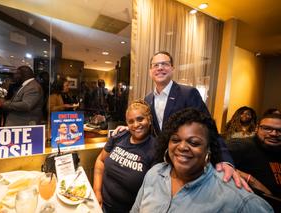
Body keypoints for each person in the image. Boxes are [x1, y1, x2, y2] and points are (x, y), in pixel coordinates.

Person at [115, 51, 245, 188]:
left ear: (172, 68)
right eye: (156, 65)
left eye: (164, 64)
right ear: (150, 71)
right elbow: (149, 127)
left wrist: (224, 159)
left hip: (187, 160)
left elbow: (208, 127)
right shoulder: (148, 99)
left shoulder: (188, 93)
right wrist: (129, 128)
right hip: (162, 163)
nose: (160, 68)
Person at [130, 108, 273, 212]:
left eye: (193, 142)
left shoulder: (230, 195)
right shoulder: (155, 173)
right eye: (175, 140)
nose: (182, 147)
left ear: (208, 149)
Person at [93, 100, 157, 213]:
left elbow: (152, 194)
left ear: (149, 119)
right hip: (101, 205)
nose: (136, 125)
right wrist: (97, 192)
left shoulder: (155, 149)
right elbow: (100, 161)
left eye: (140, 119)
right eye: (131, 121)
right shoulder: (119, 136)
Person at [227, 113, 281, 211]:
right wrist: (250, 179)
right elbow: (210, 159)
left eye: (279, 130)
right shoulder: (242, 146)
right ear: (257, 128)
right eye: (267, 128)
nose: (274, 133)